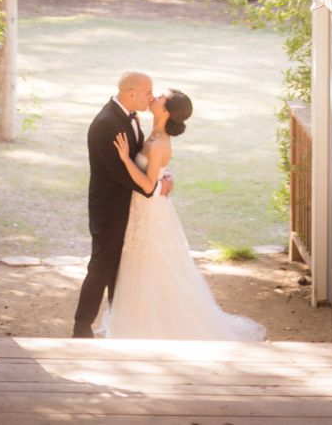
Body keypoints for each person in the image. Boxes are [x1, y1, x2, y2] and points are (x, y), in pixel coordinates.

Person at [103, 87, 266, 341]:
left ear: (166, 111)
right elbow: (155, 176)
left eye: (160, 98)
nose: (154, 97)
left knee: (152, 266)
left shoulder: (159, 142)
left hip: (150, 212)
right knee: (138, 265)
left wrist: (125, 159)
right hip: (142, 209)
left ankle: (151, 327)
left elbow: (147, 186)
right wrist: (163, 175)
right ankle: (137, 324)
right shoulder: (155, 135)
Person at [72, 71, 173, 338]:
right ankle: (81, 327)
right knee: (102, 265)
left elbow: (141, 159)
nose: (151, 97)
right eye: (148, 92)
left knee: (122, 267)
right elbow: (120, 172)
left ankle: (120, 323)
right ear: (131, 94)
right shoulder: (107, 124)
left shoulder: (130, 117)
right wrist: (153, 187)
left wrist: (161, 175)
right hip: (110, 209)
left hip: (132, 207)